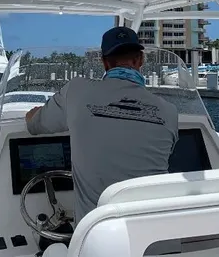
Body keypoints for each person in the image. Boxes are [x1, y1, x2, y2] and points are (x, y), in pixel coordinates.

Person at [25, 26, 178, 223]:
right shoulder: (169, 112)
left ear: (104, 62)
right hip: (155, 240)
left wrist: (32, 113)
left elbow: (34, 125)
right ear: (141, 60)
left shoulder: (77, 91)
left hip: (99, 241)